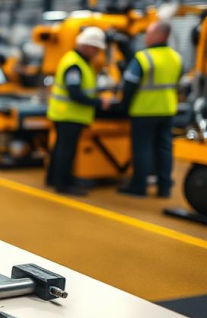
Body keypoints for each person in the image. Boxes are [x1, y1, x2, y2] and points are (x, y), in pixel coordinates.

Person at [118, 21, 182, 197]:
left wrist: (124, 106)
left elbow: (129, 85)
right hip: (168, 109)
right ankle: (164, 187)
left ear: (159, 35)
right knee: (164, 148)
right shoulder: (176, 57)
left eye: (148, 33)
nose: (146, 37)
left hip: (144, 110)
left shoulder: (143, 58)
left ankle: (139, 186)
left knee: (142, 148)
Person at [45, 27, 109, 196]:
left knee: (60, 149)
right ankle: (64, 184)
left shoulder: (78, 61)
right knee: (67, 151)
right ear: (87, 46)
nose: (96, 53)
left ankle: (53, 178)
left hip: (65, 113)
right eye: (95, 49)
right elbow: (75, 93)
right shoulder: (75, 65)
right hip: (69, 114)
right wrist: (98, 102)